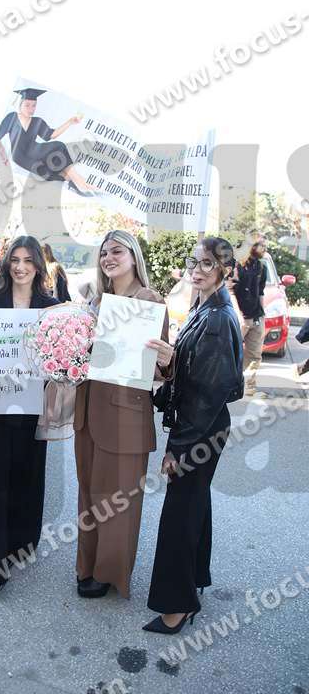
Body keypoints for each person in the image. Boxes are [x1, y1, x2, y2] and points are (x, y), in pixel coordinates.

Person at [144, 237, 243, 635]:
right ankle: (195, 581)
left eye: (207, 264)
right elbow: (193, 372)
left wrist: (178, 448)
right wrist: (170, 365)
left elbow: (209, 392)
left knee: (180, 516)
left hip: (200, 429)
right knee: (194, 506)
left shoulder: (217, 317)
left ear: (224, 270)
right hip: (201, 424)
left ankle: (178, 606)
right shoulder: (206, 306)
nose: (197, 270)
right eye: (194, 261)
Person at [74, 230, 173, 599]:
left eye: (117, 251)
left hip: (124, 416)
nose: (108, 258)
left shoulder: (149, 301)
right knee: (89, 496)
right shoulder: (94, 302)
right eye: (104, 253)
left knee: (117, 501)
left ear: (134, 257)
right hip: (87, 411)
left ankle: (109, 572)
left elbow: (157, 369)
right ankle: (86, 565)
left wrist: (168, 360)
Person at [0, 236, 59, 589]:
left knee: (28, 473)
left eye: (27, 260)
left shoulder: (52, 308)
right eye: (15, 260)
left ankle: (22, 542)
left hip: (33, 405)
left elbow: (62, 360)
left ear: (38, 265)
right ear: (6, 264)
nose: (20, 267)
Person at [0, 88, 93, 197]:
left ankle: (79, 183)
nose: (31, 109)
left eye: (34, 105)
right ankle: (79, 183)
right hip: (20, 156)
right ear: (20, 104)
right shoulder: (12, 117)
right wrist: (4, 157)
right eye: (27, 105)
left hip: (35, 150)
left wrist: (70, 122)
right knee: (47, 172)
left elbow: (52, 135)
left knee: (59, 147)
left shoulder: (37, 121)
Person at [228, 232, 267, 396]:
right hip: (239, 318)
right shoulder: (236, 266)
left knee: (255, 355)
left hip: (256, 318)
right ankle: (226, 384)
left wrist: (263, 316)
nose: (264, 248)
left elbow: (261, 292)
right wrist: (238, 316)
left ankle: (249, 388)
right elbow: (229, 291)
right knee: (229, 352)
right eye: (261, 245)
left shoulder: (261, 267)